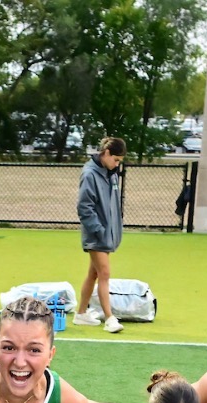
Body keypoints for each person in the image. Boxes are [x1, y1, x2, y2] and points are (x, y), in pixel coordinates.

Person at [74, 137, 126, 334]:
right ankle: (110, 318)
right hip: (97, 235)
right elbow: (84, 207)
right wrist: (98, 229)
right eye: (116, 159)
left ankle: (81, 314)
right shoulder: (89, 174)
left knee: (94, 273)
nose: (117, 164)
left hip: (106, 234)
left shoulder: (110, 173)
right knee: (104, 274)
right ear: (106, 153)